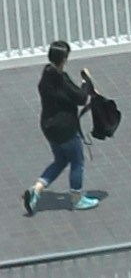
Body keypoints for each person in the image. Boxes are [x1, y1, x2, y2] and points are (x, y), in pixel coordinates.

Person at [26, 42, 100, 215]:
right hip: (65, 128)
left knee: (60, 160)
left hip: (48, 127)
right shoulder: (60, 80)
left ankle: (37, 188)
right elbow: (81, 98)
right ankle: (77, 198)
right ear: (64, 59)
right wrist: (86, 82)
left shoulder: (46, 76)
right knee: (77, 161)